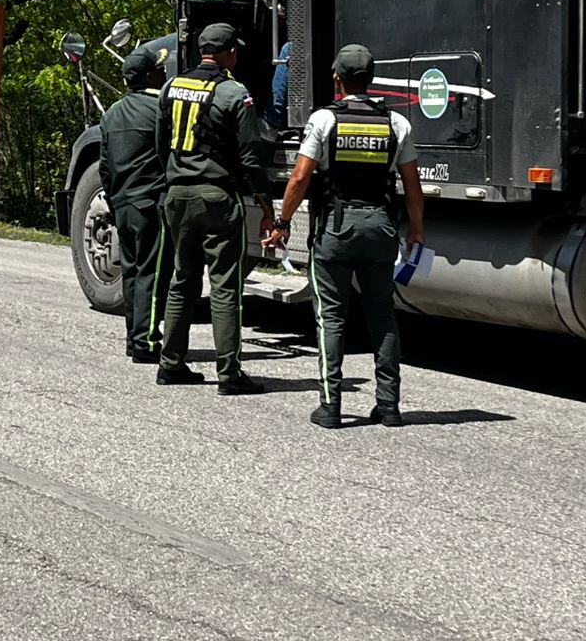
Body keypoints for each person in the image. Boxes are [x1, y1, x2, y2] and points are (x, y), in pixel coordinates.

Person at [262, 44, 425, 429]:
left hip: (336, 227)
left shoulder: (324, 120)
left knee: (331, 317)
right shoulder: (395, 123)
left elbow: (301, 177)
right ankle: (389, 406)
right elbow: (412, 183)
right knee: (382, 316)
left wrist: (282, 222)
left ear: (336, 78)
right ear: (371, 78)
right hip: (381, 226)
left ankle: (331, 406)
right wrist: (416, 228)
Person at [154, 23, 275, 393]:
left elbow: (161, 143)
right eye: (234, 51)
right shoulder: (233, 92)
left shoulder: (171, 87)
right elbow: (250, 155)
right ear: (226, 55)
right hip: (217, 197)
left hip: (178, 196)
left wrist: (174, 177)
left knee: (182, 280)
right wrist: (264, 201)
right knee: (224, 285)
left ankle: (170, 363)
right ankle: (229, 374)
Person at [97, 34, 177, 366]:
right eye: (158, 70)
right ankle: (146, 341)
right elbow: (167, 153)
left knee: (130, 271)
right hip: (151, 203)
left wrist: (115, 200)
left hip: (123, 203)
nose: (162, 74)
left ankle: (133, 337)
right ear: (148, 77)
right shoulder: (158, 108)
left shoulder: (111, 114)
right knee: (154, 273)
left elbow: (104, 166)